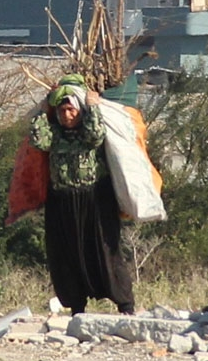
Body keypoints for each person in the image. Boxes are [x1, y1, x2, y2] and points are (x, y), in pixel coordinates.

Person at [29, 74, 135, 315]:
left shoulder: (87, 131)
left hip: (95, 200)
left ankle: (125, 304)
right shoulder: (55, 135)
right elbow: (38, 140)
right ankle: (77, 305)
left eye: (72, 110)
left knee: (106, 251)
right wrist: (44, 107)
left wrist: (94, 106)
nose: (67, 116)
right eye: (62, 110)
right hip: (63, 201)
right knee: (68, 254)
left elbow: (97, 135)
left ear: (80, 110)